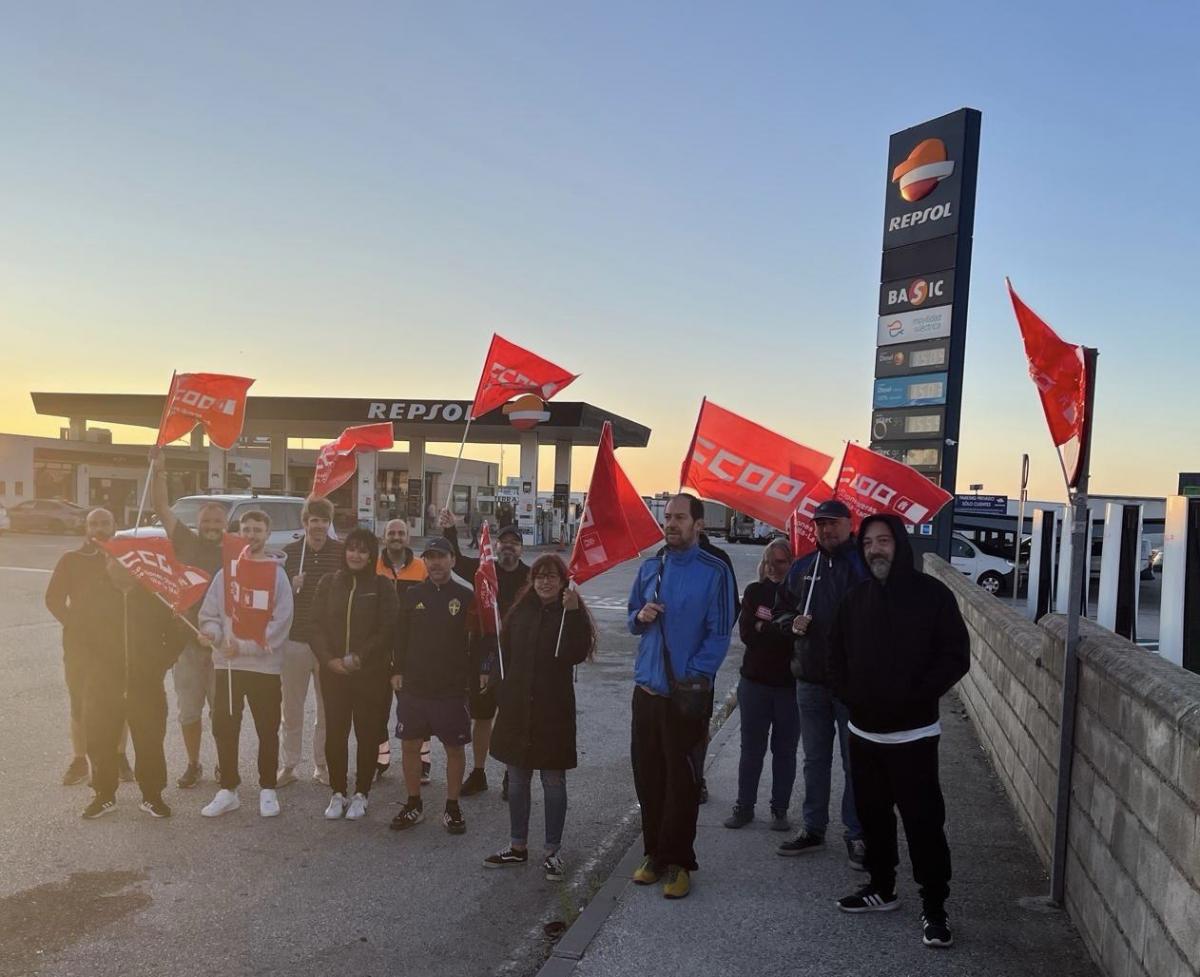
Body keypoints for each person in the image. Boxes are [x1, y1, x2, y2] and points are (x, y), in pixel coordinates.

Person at [829, 514, 970, 949]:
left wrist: (915, 696)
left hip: (914, 736)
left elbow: (955, 656)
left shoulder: (933, 596)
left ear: (900, 545)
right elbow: (835, 658)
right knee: (873, 819)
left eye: (884, 540)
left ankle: (935, 908)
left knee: (924, 824)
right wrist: (852, 696)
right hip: (864, 735)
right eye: (868, 542)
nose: (876, 549)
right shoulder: (855, 600)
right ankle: (882, 887)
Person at [626, 493, 735, 899]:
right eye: (668, 517)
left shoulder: (715, 570)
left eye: (680, 518)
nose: (670, 524)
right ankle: (653, 854)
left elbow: (720, 634)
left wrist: (693, 677)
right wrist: (640, 617)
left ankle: (679, 862)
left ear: (698, 525)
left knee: (682, 784)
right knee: (648, 778)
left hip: (684, 697)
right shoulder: (651, 567)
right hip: (646, 693)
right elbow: (632, 619)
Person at [483, 555, 596, 881]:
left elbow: (576, 652)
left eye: (552, 577)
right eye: (539, 576)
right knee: (517, 780)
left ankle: (552, 851)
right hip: (517, 707)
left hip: (552, 710)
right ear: (532, 580)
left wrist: (572, 613)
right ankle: (517, 846)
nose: (545, 582)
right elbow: (503, 651)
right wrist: (498, 687)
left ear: (562, 581)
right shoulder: (521, 611)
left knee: (553, 781)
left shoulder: (570, 613)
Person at [770, 499, 869, 867]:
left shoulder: (863, 566)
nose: (826, 530)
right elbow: (780, 610)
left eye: (833, 523)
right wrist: (790, 623)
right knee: (814, 760)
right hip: (809, 681)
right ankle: (813, 828)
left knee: (854, 762)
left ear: (849, 524)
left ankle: (857, 834)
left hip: (851, 685)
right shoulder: (802, 568)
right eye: (820, 524)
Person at [197, 510, 295, 818]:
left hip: (264, 668)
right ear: (239, 533)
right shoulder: (226, 574)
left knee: (267, 729)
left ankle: (268, 788)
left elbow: (281, 624)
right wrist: (212, 635)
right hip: (228, 667)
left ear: (267, 534)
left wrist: (245, 647)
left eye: (257, 529)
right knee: (225, 728)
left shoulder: (277, 575)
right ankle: (228, 789)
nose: (251, 535)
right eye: (246, 529)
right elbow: (209, 615)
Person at [389, 537, 484, 835]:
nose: (436, 563)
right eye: (430, 557)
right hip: (415, 686)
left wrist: (481, 672)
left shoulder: (466, 596)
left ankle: (452, 806)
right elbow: (400, 636)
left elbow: (479, 640)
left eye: (441, 556)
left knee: (454, 748)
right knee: (410, 745)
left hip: (451, 688)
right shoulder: (413, 594)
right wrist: (396, 669)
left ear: (452, 560)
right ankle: (413, 803)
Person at [78, 556, 185, 818]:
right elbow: (77, 634)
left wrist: (160, 663)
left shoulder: (154, 595)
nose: (120, 566)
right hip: (103, 685)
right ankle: (104, 796)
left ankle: (152, 796)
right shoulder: (93, 593)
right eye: (114, 560)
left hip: (146, 685)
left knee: (150, 741)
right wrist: (89, 668)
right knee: (101, 741)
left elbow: (177, 634)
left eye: (125, 561)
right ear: (107, 562)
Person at [149, 450, 228, 789]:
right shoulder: (186, 541)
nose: (211, 528)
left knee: (222, 714)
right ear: (199, 523)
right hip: (188, 644)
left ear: (225, 525)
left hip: (222, 647)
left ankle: (225, 765)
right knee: (190, 712)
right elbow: (161, 509)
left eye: (217, 523)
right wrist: (159, 471)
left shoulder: (235, 551)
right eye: (207, 522)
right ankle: (194, 764)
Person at [438, 508, 530, 799]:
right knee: (482, 716)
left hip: (516, 656)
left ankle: (510, 775)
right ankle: (478, 773)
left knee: (512, 717)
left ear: (521, 549)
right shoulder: (483, 570)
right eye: (504, 542)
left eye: (515, 543)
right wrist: (449, 529)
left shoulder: (531, 577)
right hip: (484, 656)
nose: (509, 547)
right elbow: (455, 559)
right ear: (496, 545)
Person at [309, 528, 397, 820]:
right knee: (335, 733)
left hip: (369, 673)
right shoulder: (329, 582)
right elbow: (315, 625)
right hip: (334, 673)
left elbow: (387, 628)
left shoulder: (382, 586)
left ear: (371, 555)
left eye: (362, 550)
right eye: (351, 548)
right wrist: (329, 660)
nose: (355, 555)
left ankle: (362, 793)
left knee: (367, 733)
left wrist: (360, 656)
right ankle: (337, 792)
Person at [45, 507, 134, 785]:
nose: (99, 528)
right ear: (86, 528)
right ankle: (79, 760)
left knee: (120, 701)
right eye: (93, 523)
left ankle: (119, 755)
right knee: (79, 701)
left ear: (114, 525)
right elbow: (53, 599)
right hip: (80, 646)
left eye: (104, 523)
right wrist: (74, 625)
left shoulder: (126, 559)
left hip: (118, 643)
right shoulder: (71, 560)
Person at [724, 539, 799, 832]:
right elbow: (747, 634)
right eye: (769, 561)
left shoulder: (800, 595)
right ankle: (744, 807)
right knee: (751, 751)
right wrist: (780, 628)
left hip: (789, 687)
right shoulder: (755, 592)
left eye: (780, 562)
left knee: (785, 752)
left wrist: (765, 627)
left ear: (791, 564)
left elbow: (797, 638)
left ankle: (779, 810)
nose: (773, 568)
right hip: (754, 683)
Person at [280, 497, 343, 787]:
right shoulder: (290, 553)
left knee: (327, 710)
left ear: (329, 524)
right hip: (295, 641)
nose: (319, 526)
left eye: (324, 520)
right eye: (314, 520)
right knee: (291, 710)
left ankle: (323, 765)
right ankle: (289, 765)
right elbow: (276, 597)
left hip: (328, 645)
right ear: (305, 523)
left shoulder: (340, 553)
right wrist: (290, 586)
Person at [375, 518, 430, 784]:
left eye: (401, 533)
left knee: (415, 708)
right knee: (376, 707)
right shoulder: (373, 566)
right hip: (379, 648)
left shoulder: (421, 567)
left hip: (411, 649)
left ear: (408, 537)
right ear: (383, 536)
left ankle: (423, 761)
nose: (396, 537)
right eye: (391, 533)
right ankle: (380, 758)